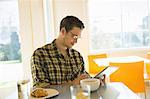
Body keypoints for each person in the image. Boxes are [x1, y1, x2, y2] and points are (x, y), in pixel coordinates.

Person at [31, 16, 105, 87]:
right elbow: (41, 89)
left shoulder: (77, 56)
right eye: (74, 36)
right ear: (63, 31)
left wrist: (95, 81)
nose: (76, 41)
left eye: (78, 37)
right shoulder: (39, 55)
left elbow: (83, 79)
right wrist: (73, 83)